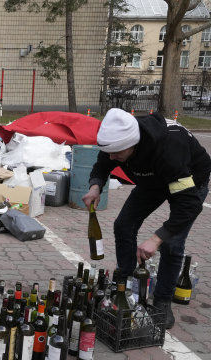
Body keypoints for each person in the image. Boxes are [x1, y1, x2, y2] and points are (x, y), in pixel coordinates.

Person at [82, 108, 210, 329]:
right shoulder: (117, 139)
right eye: (109, 151)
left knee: (171, 243)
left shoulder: (169, 151)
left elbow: (189, 206)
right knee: (123, 225)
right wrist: (95, 187)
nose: (112, 157)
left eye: (117, 153)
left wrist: (156, 238)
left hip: (189, 181)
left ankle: (162, 301)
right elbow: (103, 163)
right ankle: (125, 286)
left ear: (133, 144)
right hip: (152, 180)